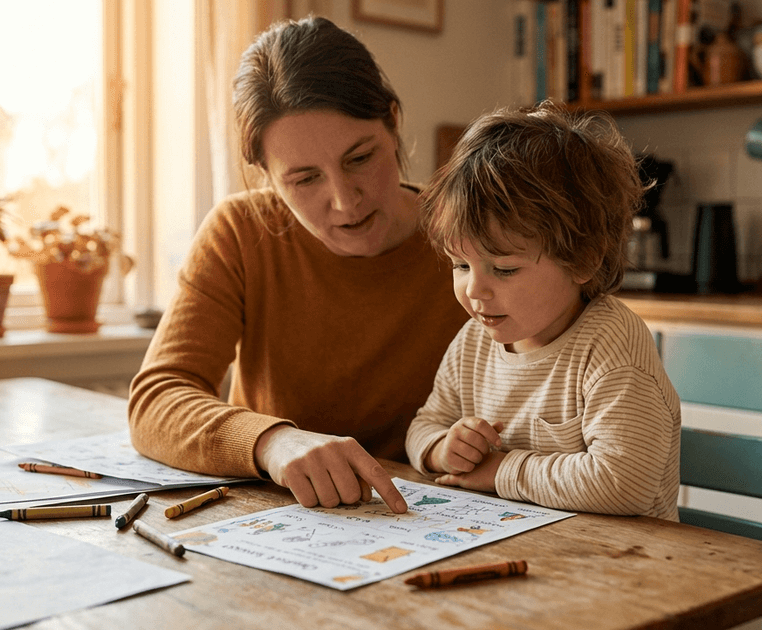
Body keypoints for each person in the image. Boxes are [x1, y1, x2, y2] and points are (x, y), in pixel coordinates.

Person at [129, 16, 469, 514]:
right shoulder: (240, 233)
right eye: (305, 179)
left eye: (359, 159)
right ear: (265, 175)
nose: (344, 201)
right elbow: (157, 400)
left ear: (393, 124)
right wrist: (273, 443)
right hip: (284, 522)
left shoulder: (470, 237)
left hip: (439, 518)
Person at [405, 101, 681, 520]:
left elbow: (626, 484)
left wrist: (501, 471)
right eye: (461, 265)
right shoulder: (473, 343)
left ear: (584, 259)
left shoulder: (611, 348)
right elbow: (423, 426)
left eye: (504, 268)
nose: (474, 289)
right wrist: (442, 449)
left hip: (624, 569)